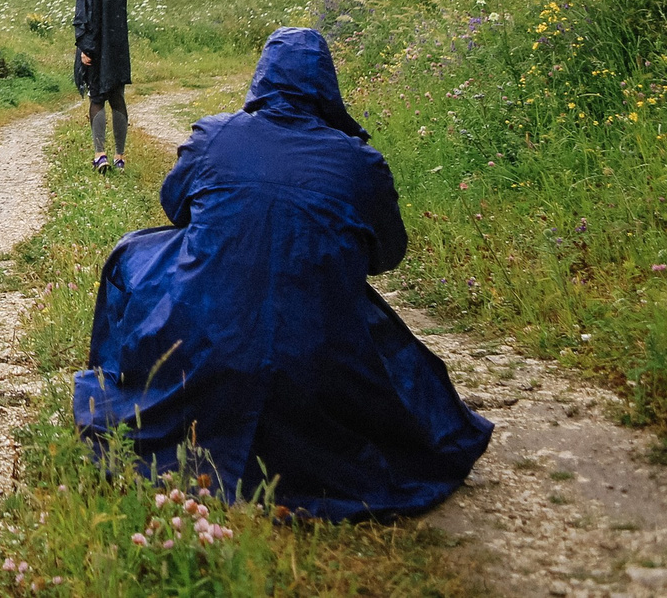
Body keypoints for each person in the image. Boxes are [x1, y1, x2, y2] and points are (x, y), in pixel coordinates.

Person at [72, 28, 492, 520]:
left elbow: (176, 208)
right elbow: (386, 255)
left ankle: (128, 374)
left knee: (132, 252)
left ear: (262, 77)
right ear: (327, 86)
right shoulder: (360, 162)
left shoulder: (214, 135)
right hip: (317, 360)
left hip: (207, 342)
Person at [72, 0, 130, 171]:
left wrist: (85, 46)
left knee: (96, 97)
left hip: (96, 43)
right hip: (117, 45)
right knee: (117, 97)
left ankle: (100, 154)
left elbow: (82, 12)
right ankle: (120, 157)